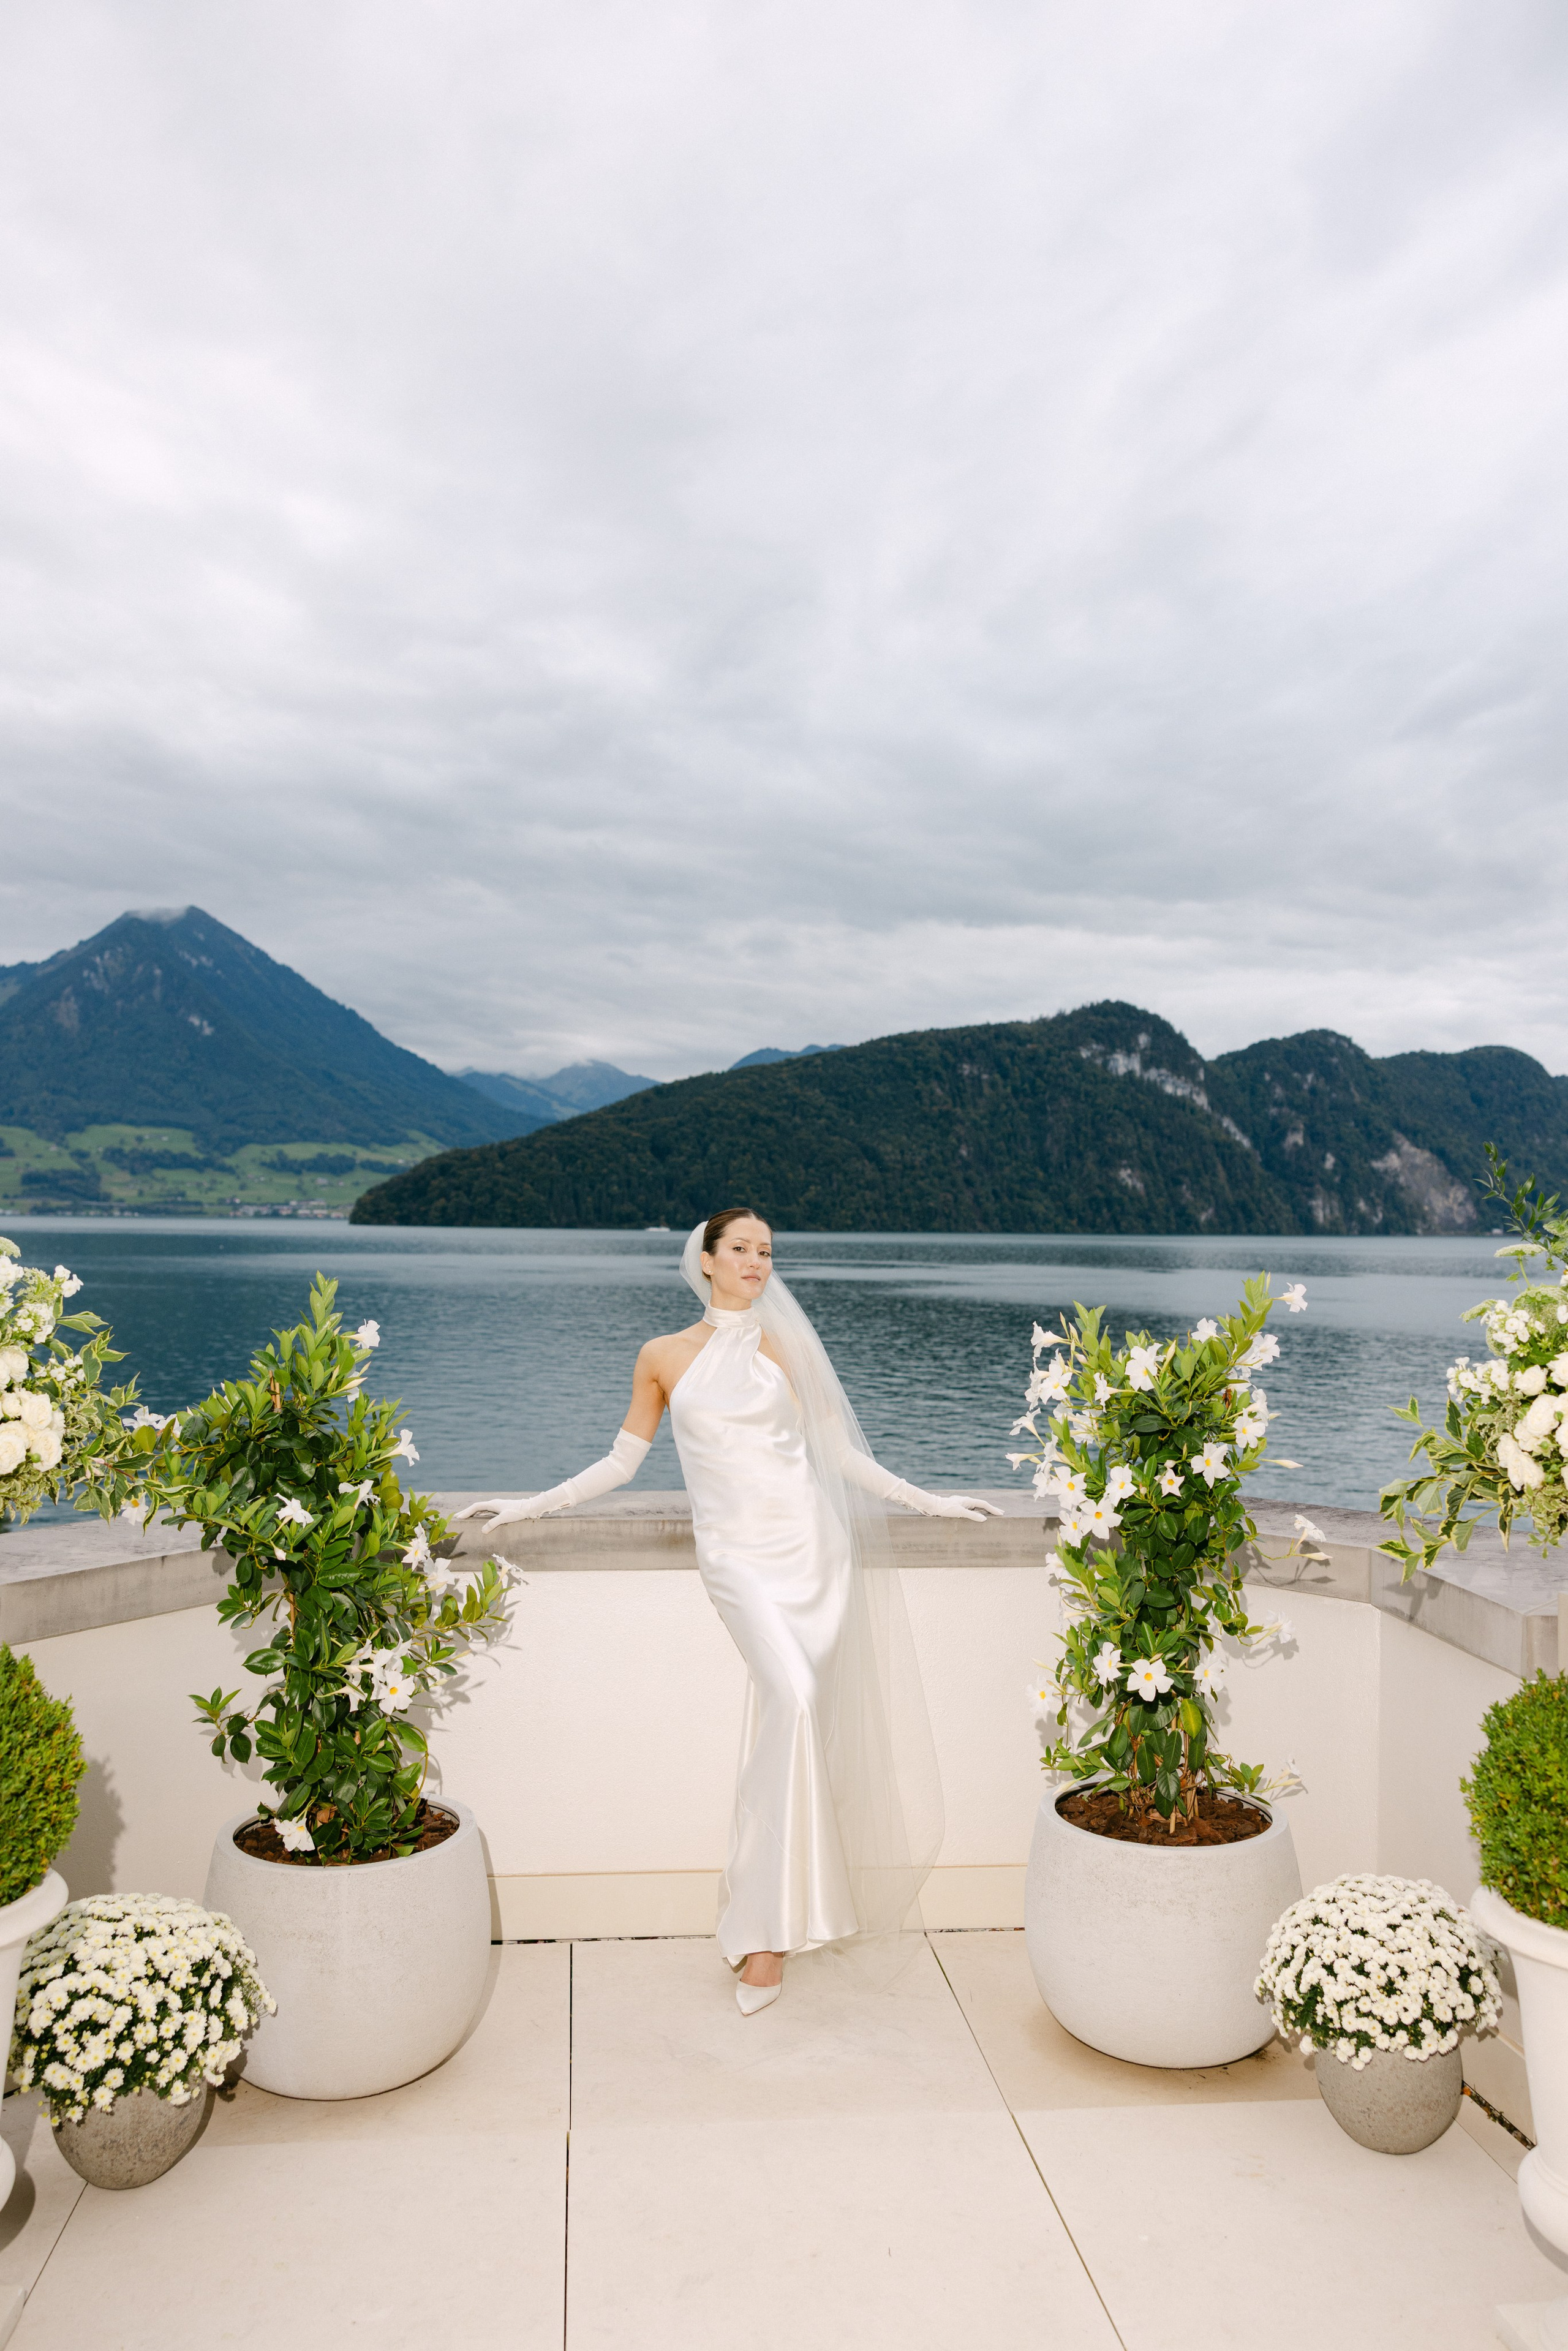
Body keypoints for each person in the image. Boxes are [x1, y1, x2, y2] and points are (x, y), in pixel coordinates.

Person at [455, 1210, 1000, 2013]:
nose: (756, 1261)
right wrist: (531, 1504)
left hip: (812, 1550)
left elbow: (839, 1455)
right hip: (738, 1560)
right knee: (794, 1700)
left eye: (766, 1251)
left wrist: (931, 1501)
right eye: (741, 1248)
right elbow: (623, 1460)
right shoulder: (663, 1356)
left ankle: (768, 1933)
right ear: (706, 1259)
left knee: (793, 1722)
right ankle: (765, 1926)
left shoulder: (789, 1348)